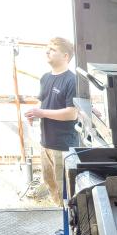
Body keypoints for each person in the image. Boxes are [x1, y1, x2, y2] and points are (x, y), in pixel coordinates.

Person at [25, 37, 77, 207]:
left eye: (53, 49)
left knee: (66, 192)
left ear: (66, 56)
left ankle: (70, 227)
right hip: (46, 143)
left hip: (63, 146)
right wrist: (35, 112)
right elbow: (43, 102)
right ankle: (62, 221)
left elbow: (72, 114)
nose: (47, 52)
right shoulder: (45, 78)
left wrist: (42, 112)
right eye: (47, 48)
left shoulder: (72, 80)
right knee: (52, 186)